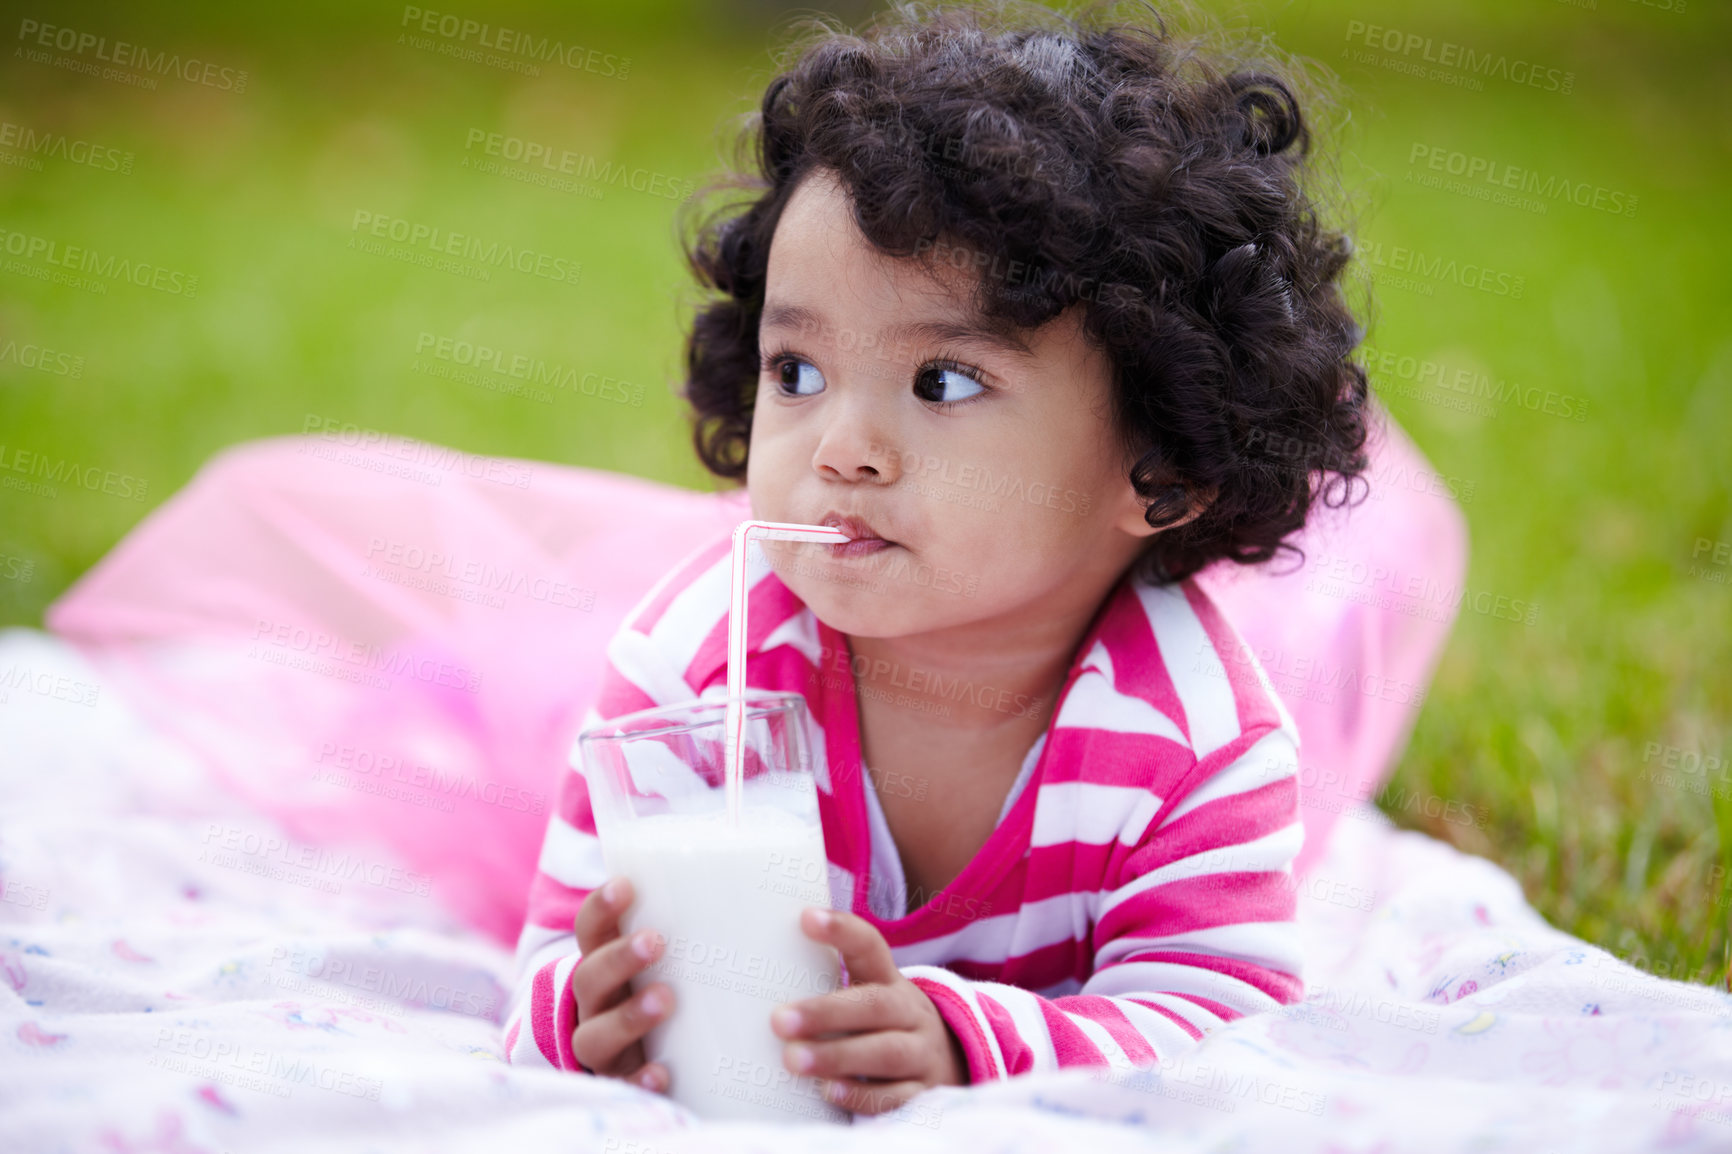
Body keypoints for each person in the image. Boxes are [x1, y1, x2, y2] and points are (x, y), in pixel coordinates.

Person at [502, 0, 1375, 1117]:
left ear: (1159, 463)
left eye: (943, 383)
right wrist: (583, 1015)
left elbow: (1219, 1025)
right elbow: (547, 961)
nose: (842, 449)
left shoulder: (1195, 740)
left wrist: (972, 1043)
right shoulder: (691, 673)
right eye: (797, 371)